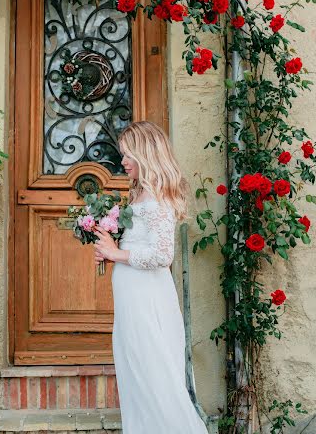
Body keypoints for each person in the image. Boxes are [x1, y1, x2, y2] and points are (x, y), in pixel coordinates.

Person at [94, 121, 209, 434]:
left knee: (152, 371)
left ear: (144, 154)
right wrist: (110, 248)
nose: (123, 161)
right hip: (132, 295)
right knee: (137, 371)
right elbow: (139, 246)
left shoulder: (157, 198)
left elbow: (162, 256)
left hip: (146, 297)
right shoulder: (140, 194)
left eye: (127, 154)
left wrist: (117, 254)